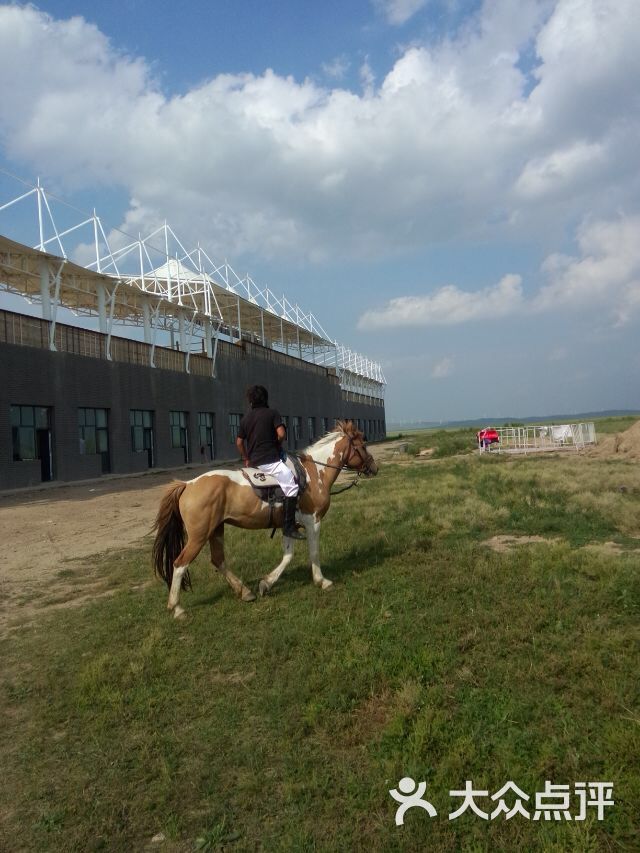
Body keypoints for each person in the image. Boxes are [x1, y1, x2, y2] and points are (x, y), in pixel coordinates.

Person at [235, 385, 305, 540]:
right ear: (265, 398)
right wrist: (277, 443)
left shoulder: (246, 418)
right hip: (270, 461)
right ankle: (288, 526)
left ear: (251, 401)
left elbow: (239, 442)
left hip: (254, 462)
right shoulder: (272, 413)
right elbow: (281, 434)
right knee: (292, 486)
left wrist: (246, 458)